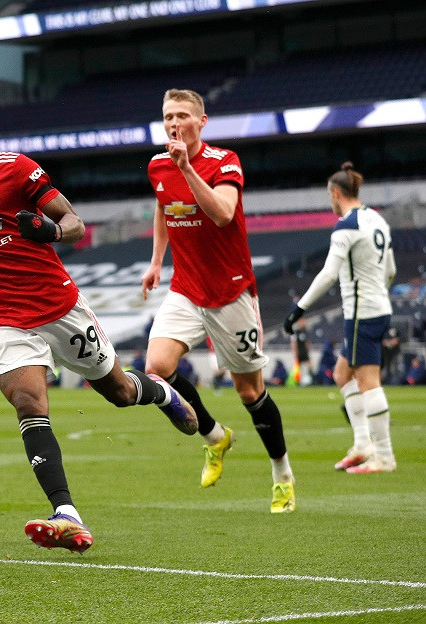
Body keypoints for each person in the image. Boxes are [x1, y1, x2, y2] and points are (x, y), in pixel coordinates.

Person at [0, 96, 197, 554]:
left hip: (59, 307)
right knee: (27, 402)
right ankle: (67, 514)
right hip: (4, 319)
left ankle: (159, 391)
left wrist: (51, 232)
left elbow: (74, 222)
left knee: (119, 392)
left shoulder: (16, 169)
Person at [141, 89, 295, 513]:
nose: (175, 123)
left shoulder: (223, 162)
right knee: (157, 368)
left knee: (250, 392)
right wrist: (156, 261)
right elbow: (163, 205)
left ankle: (282, 474)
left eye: (183, 116)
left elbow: (224, 213)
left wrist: (187, 169)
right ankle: (214, 437)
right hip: (186, 289)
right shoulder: (158, 164)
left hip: (230, 292)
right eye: (168, 116)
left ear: (202, 121)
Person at [285, 162, 397, 473]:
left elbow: (328, 274)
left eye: (329, 197)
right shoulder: (377, 219)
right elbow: (391, 270)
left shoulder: (346, 225)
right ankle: (362, 445)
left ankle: (384, 456)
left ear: (336, 193)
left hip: (362, 313)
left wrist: (299, 309)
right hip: (377, 308)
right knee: (341, 375)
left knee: (369, 383)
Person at [290, 318, 313, 386]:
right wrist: (295, 352)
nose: (302, 323)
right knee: (297, 368)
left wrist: (308, 349)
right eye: (301, 322)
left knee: (310, 366)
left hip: (305, 352)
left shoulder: (305, 332)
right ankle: (297, 381)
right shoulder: (296, 332)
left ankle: (311, 379)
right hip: (299, 352)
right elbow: (294, 343)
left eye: (303, 322)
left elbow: (307, 342)